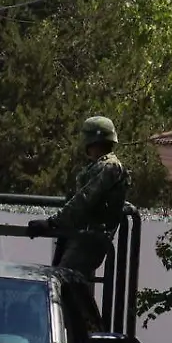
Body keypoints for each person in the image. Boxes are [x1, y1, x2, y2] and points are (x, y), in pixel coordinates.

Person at [26, 116, 132, 280]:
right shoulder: (100, 165)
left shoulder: (109, 166)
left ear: (93, 143)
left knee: (63, 284)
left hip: (89, 239)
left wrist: (51, 222)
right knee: (63, 282)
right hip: (81, 236)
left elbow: (84, 199)